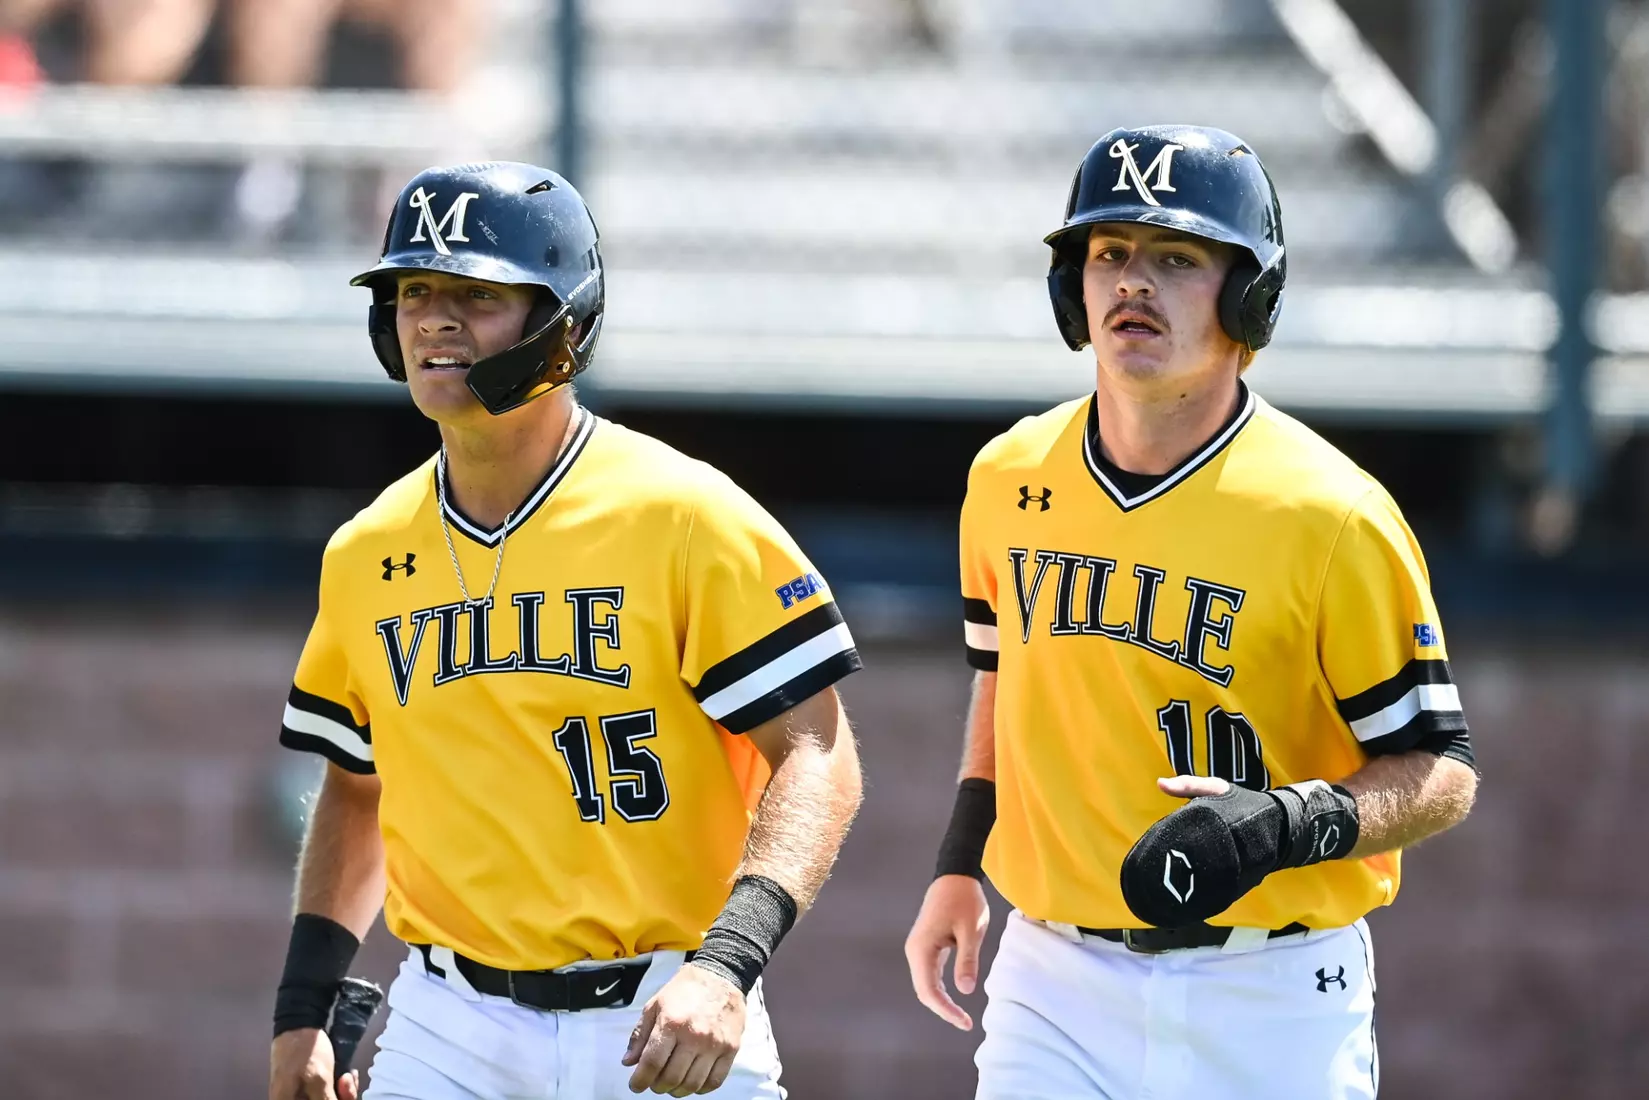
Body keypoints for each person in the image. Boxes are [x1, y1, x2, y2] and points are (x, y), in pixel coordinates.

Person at [903, 124, 1479, 1099]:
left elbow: (1442, 770)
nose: (1132, 282)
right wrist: (959, 862)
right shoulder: (1007, 476)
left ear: (1248, 296)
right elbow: (1002, 677)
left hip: (1271, 987)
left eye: (1176, 258)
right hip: (1054, 979)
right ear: (1070, 287)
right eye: (1108, 253)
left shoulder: (1329, 514)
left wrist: (1288, 822)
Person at [267, 161, 864, 1100]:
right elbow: (354, 785)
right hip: (447, 1023)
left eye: (478, 294)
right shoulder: (367, 551)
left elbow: (818, 753)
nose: (434, 320)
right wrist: (307, 1009)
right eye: (413, 291)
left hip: (665, 1011)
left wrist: (728, 964)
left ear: (562, 323)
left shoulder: (680, 514)